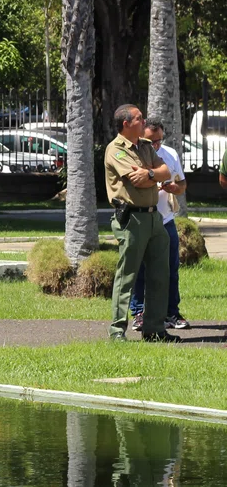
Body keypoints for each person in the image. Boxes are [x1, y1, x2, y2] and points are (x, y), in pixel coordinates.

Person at [104, 104, 179, 342]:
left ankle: (154, 330)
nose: (144, 121)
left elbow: (166, 171)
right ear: (126, 124)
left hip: (154, 217)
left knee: (160, 274)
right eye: (139, 118)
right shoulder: (115, 149)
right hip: (132, 218)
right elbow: (135, 182)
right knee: (127, 275)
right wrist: (151, 175)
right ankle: (117, 330)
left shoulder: (145, 146)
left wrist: (148, 173)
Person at [129, 120, 189, 331]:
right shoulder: (133, 153)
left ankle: (171, 312)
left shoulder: (170, 154)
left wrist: (174, 187)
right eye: (150, 140)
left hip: (165, 220)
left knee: (171, 269)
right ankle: (138, 312)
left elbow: (182, 185)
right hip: (142, 219)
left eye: (158, 140)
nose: (155, 145)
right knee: (141, 269)